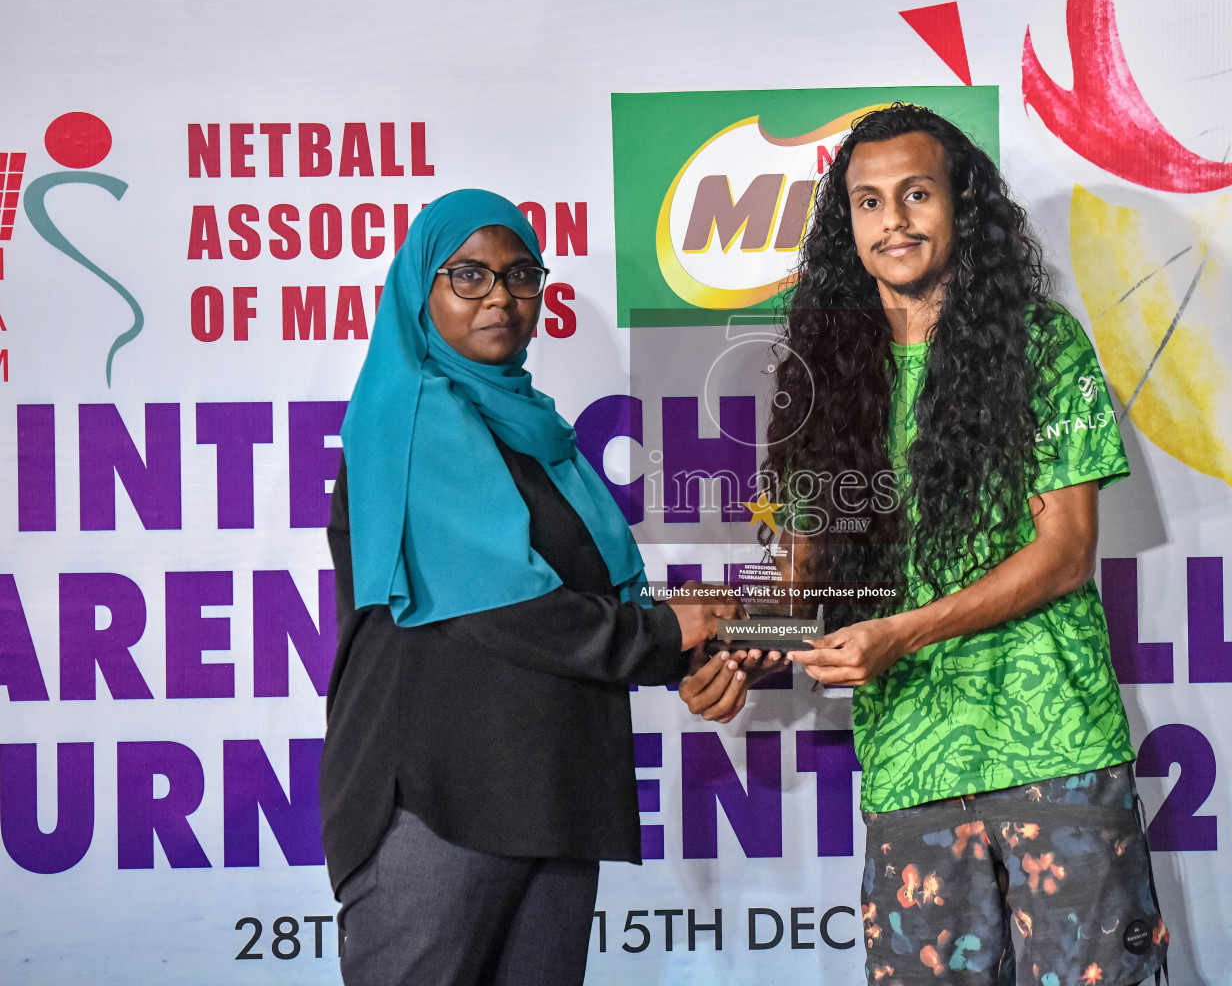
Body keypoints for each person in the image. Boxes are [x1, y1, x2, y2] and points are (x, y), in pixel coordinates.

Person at [763, 106, 1169, 985]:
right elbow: (799, 582)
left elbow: (1064, 553)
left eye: (916, 194)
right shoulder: (820, 374)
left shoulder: (1041, 344)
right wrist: (734, 646)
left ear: (963, 203)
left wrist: (900, 633)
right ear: (847, 226)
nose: (893, 222)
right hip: (910, 765)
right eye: (867, 203)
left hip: (1057, 753)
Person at [320, 188, 760, 986]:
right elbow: (503, 608)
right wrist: (667, 637)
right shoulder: (411, 411)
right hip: (441, 796)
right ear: (421, 290)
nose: (500, 296)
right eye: (469, 275)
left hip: (549, 788)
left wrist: (693, 658)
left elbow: (588, 600)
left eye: (521, 275)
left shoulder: (535, 430)